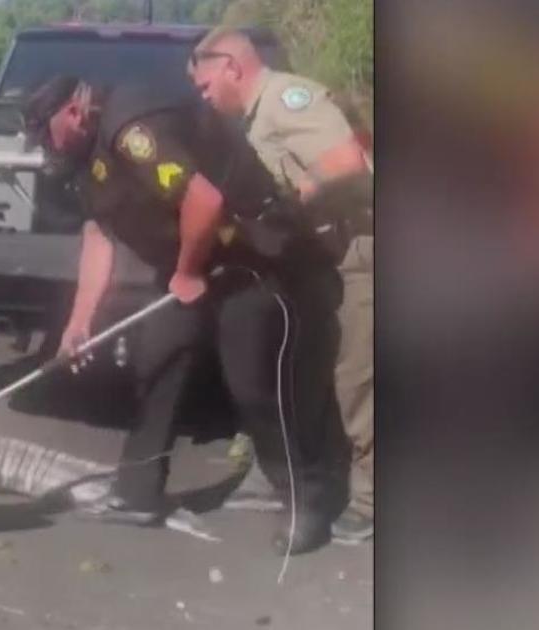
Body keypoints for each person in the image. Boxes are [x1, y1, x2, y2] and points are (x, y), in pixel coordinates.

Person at [21, 75, 342, 553]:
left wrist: (188, 272)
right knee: (160, 361)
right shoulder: (84, 161)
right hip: (187, 262)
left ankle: (307, 499)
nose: (45, 147)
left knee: (251, 383)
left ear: (71, 112)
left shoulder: (130, 131)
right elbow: (100, 236)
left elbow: (204, 199)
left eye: (46, 134)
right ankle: (137, 492)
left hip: (248, 256)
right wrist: (79, 321)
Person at [188, 28, 374, 543]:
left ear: (232, 66)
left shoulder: (287, 100)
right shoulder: (250, 120)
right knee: (319, 374)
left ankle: (370, 503)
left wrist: (298, 195)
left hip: (360, 248)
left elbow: (347, 163)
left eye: (205, 85)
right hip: (323, 257)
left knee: (356, 381)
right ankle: (332, 479)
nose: (204, 96)